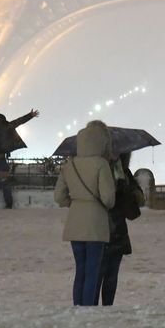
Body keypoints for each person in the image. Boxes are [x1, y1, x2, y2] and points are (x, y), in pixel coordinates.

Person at [54, 121, 116, 306]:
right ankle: (88, 307)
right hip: (95, 222)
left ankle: (77, 305)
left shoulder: (70, 164)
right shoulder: (101, 164)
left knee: (80, 269)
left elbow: (59, 197)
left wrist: (74, 203)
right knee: (92, 270)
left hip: (75, 220)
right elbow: (108, 198)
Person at [97, 152, 144, 306]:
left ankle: (97, 306)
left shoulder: (102, 170)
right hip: (116, 226)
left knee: (101, 271)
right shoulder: (123, 173)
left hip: (104, 226)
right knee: (110, 273)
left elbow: (138, 198)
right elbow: (138, 198)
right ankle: (106, 306)